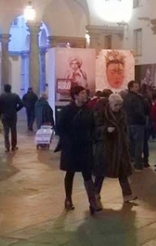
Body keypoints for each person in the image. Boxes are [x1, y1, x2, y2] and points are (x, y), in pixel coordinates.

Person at [57, 85, 99, 214]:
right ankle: (68, 198)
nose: (85, 95)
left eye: (85, 93)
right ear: (75, 96)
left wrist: (92, 137)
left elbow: (93, 125)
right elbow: (59, 128)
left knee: (87, 174)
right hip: (71, 147)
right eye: (82, 93)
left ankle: (93, 202)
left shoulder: (88, 110)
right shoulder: (67, 110)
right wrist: (67, 141)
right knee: (70, 173)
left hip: (85, 146)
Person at [94, 93, 137, 206]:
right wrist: (105, 130)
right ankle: (95, 193)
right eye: (116, 105)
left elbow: (125, 129)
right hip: (106, 147)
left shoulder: (122, 114)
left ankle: (127, 194)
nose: (118, 107)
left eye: (119, 105)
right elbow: (95, 129)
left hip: (119, 146)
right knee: (101, 171)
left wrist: (126, 141)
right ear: (110, 104)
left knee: (122, 170)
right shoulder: (102, 114)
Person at [124, 80, 147, 171]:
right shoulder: (137, 98)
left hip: (129, 123)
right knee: (138, 144)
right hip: (137, 123)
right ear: (131, 87)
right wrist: (143, 119)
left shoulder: (126, 97)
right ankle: (138, 164)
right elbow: (139, 111)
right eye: (136, 86)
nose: (138, 88)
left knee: (131, 144)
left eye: (138, 86)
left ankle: (130, 162)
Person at [0, 84, 24, 152]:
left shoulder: (1, 96)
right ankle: (13, 146)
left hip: (4, 116)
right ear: (10, 88)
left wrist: (1, 112)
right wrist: (16, 109)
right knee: (13, 131)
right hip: (13, 115)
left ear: (4, 89)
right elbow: (22, 104)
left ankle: (7, 147)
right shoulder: (15, 96)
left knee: (6, 132)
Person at [142, 84, 153, 168]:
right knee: (144, 142)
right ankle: (145, 160)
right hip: (145, 121)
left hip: (142, 122)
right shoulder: (147, 98)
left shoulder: (140, 98)